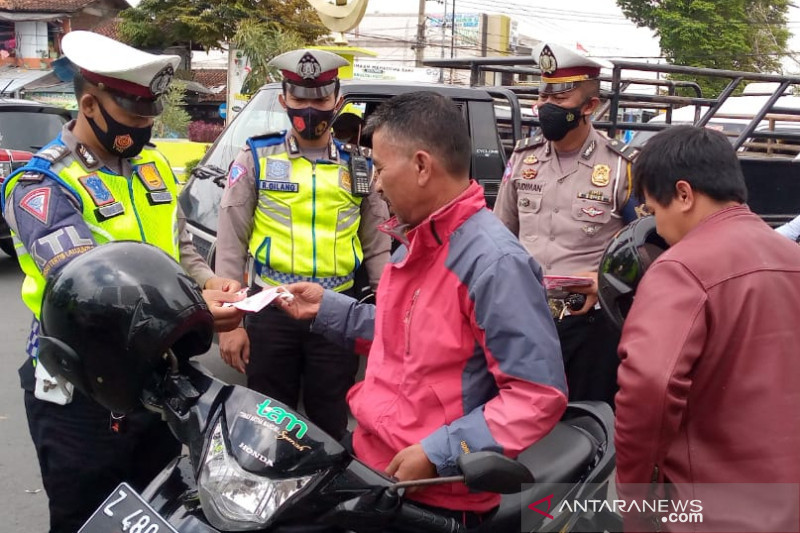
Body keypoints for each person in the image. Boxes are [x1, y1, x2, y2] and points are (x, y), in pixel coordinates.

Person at [278, 91, 567, 525]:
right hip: (377, 465)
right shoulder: (417, 241)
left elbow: (537, 394)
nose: (374, 183)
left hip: (434, 494)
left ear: (420, 166)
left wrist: (438, 454)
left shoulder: (494, 264)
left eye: (379, 168)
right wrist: (328, 310)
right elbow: (407, 335)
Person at [0, 30, 243, 533]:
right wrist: (195, 307)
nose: (147, 128)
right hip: (80, 390)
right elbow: (92, 295)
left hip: (155, 379)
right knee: (89, 518)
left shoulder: (152, 165)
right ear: (90, 104)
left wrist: (207, 280)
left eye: (152, 116)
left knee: (157, 508)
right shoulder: (40, 185)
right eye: (136, 116)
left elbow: (180, 249)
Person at [614, 126, 800, 531]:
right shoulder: (790, 256)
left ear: (683, 194)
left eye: (652, 210)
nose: (656, 228)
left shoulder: (681, 268)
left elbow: (650, 387)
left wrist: (634, 499)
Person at [214, 48, 391, 441]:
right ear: (284, 100)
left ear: (337, 102)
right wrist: (230, 323)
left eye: (320, 99)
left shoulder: (359, 165)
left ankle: (320, 501)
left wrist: (384, 318)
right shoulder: (256, 157)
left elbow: (378, 247)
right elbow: (231, 243)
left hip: (336, 313)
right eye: (300, 99)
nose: (310, 108)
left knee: (329, 422)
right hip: (270, 310)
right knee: (265, 421)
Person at [493, 41, 641, 408]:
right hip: (524, 315)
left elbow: (646, 246)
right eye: (544, 95)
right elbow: (499, 234)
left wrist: (603, 280)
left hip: (585, 319)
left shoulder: (622, 166)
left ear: (590, 106)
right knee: (522, 414)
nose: (546, 107)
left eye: (559, 99)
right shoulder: (523, 157)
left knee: (582, 419)